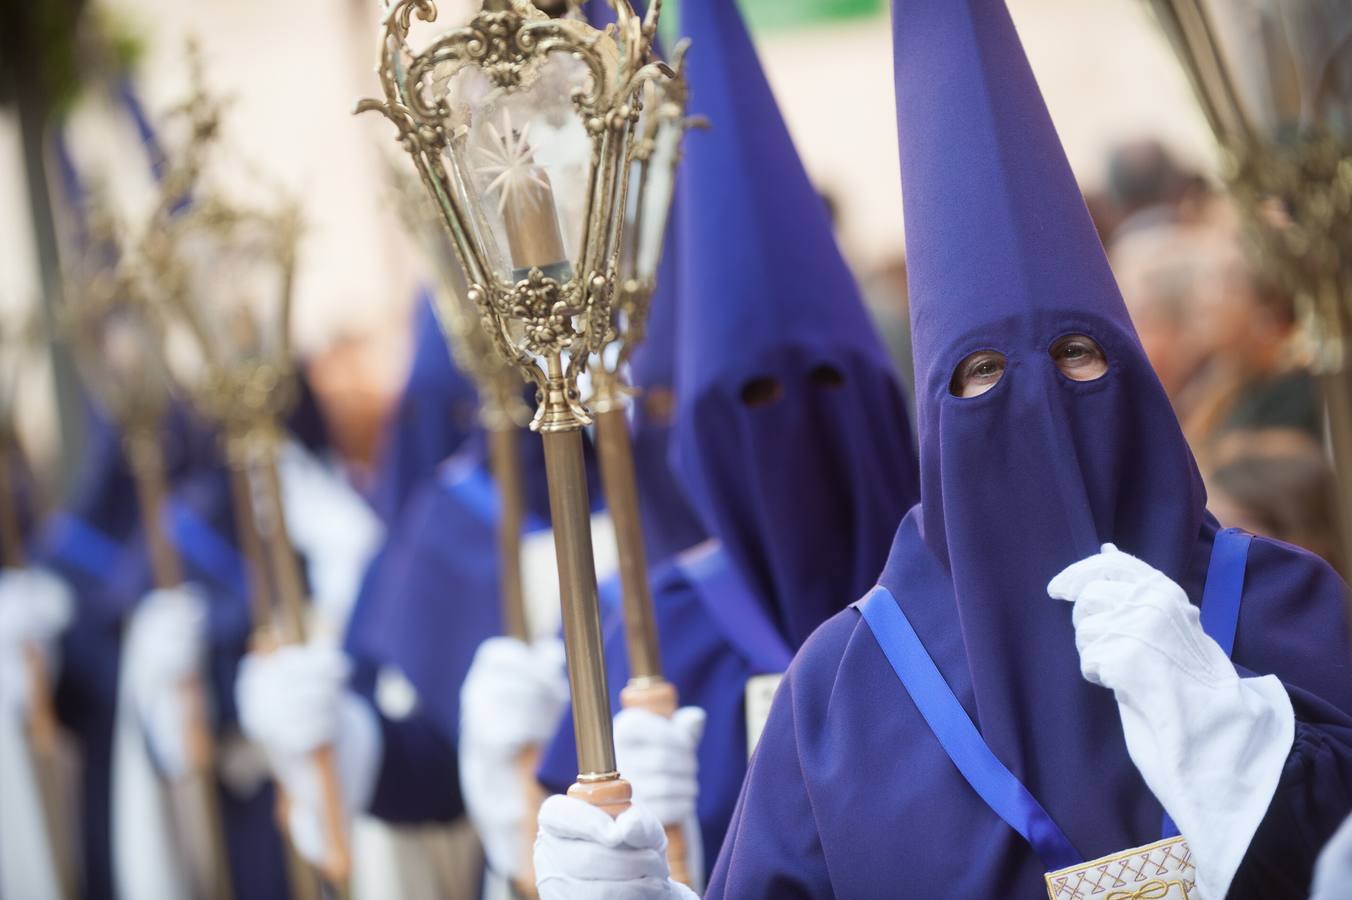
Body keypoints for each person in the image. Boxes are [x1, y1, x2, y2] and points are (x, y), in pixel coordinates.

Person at [703, 1, 1352, 897]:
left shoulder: (1286, 600)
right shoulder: (844, 689)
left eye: (1077, 356)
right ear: (934, 418)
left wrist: (1249, 751)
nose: (1037, 403)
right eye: (980, 375)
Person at [530, 0, 919, 894]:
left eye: (825, 388)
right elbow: (537, 833)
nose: (791, 429)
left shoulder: (964, 603)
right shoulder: (655, 625)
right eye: (747, 400)